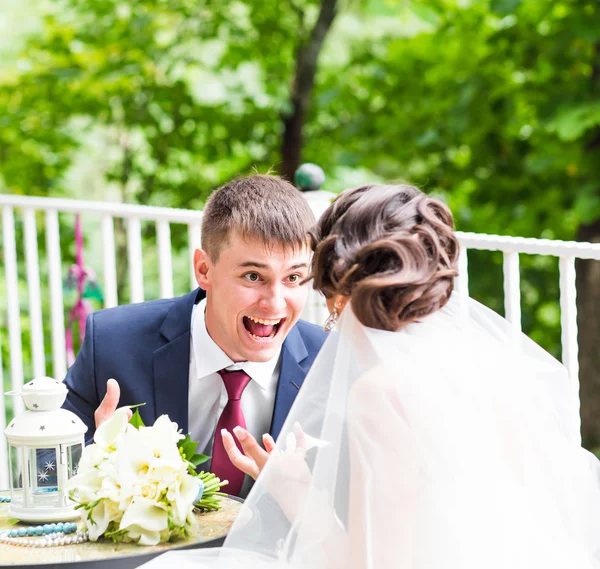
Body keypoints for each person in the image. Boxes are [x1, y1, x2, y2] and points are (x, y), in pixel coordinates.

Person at [143, 183, 600, 568]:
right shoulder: (491, 369)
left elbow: (365, 562)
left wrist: (294, 488)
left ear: (337, 288)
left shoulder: (382, 392)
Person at [63, 174, 328, 497]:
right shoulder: (112, 343)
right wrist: (100, 460)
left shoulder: (329, 363)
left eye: (294, 277)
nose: (274, 302)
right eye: (254, 276)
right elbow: (46, 469)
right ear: (204, 269)